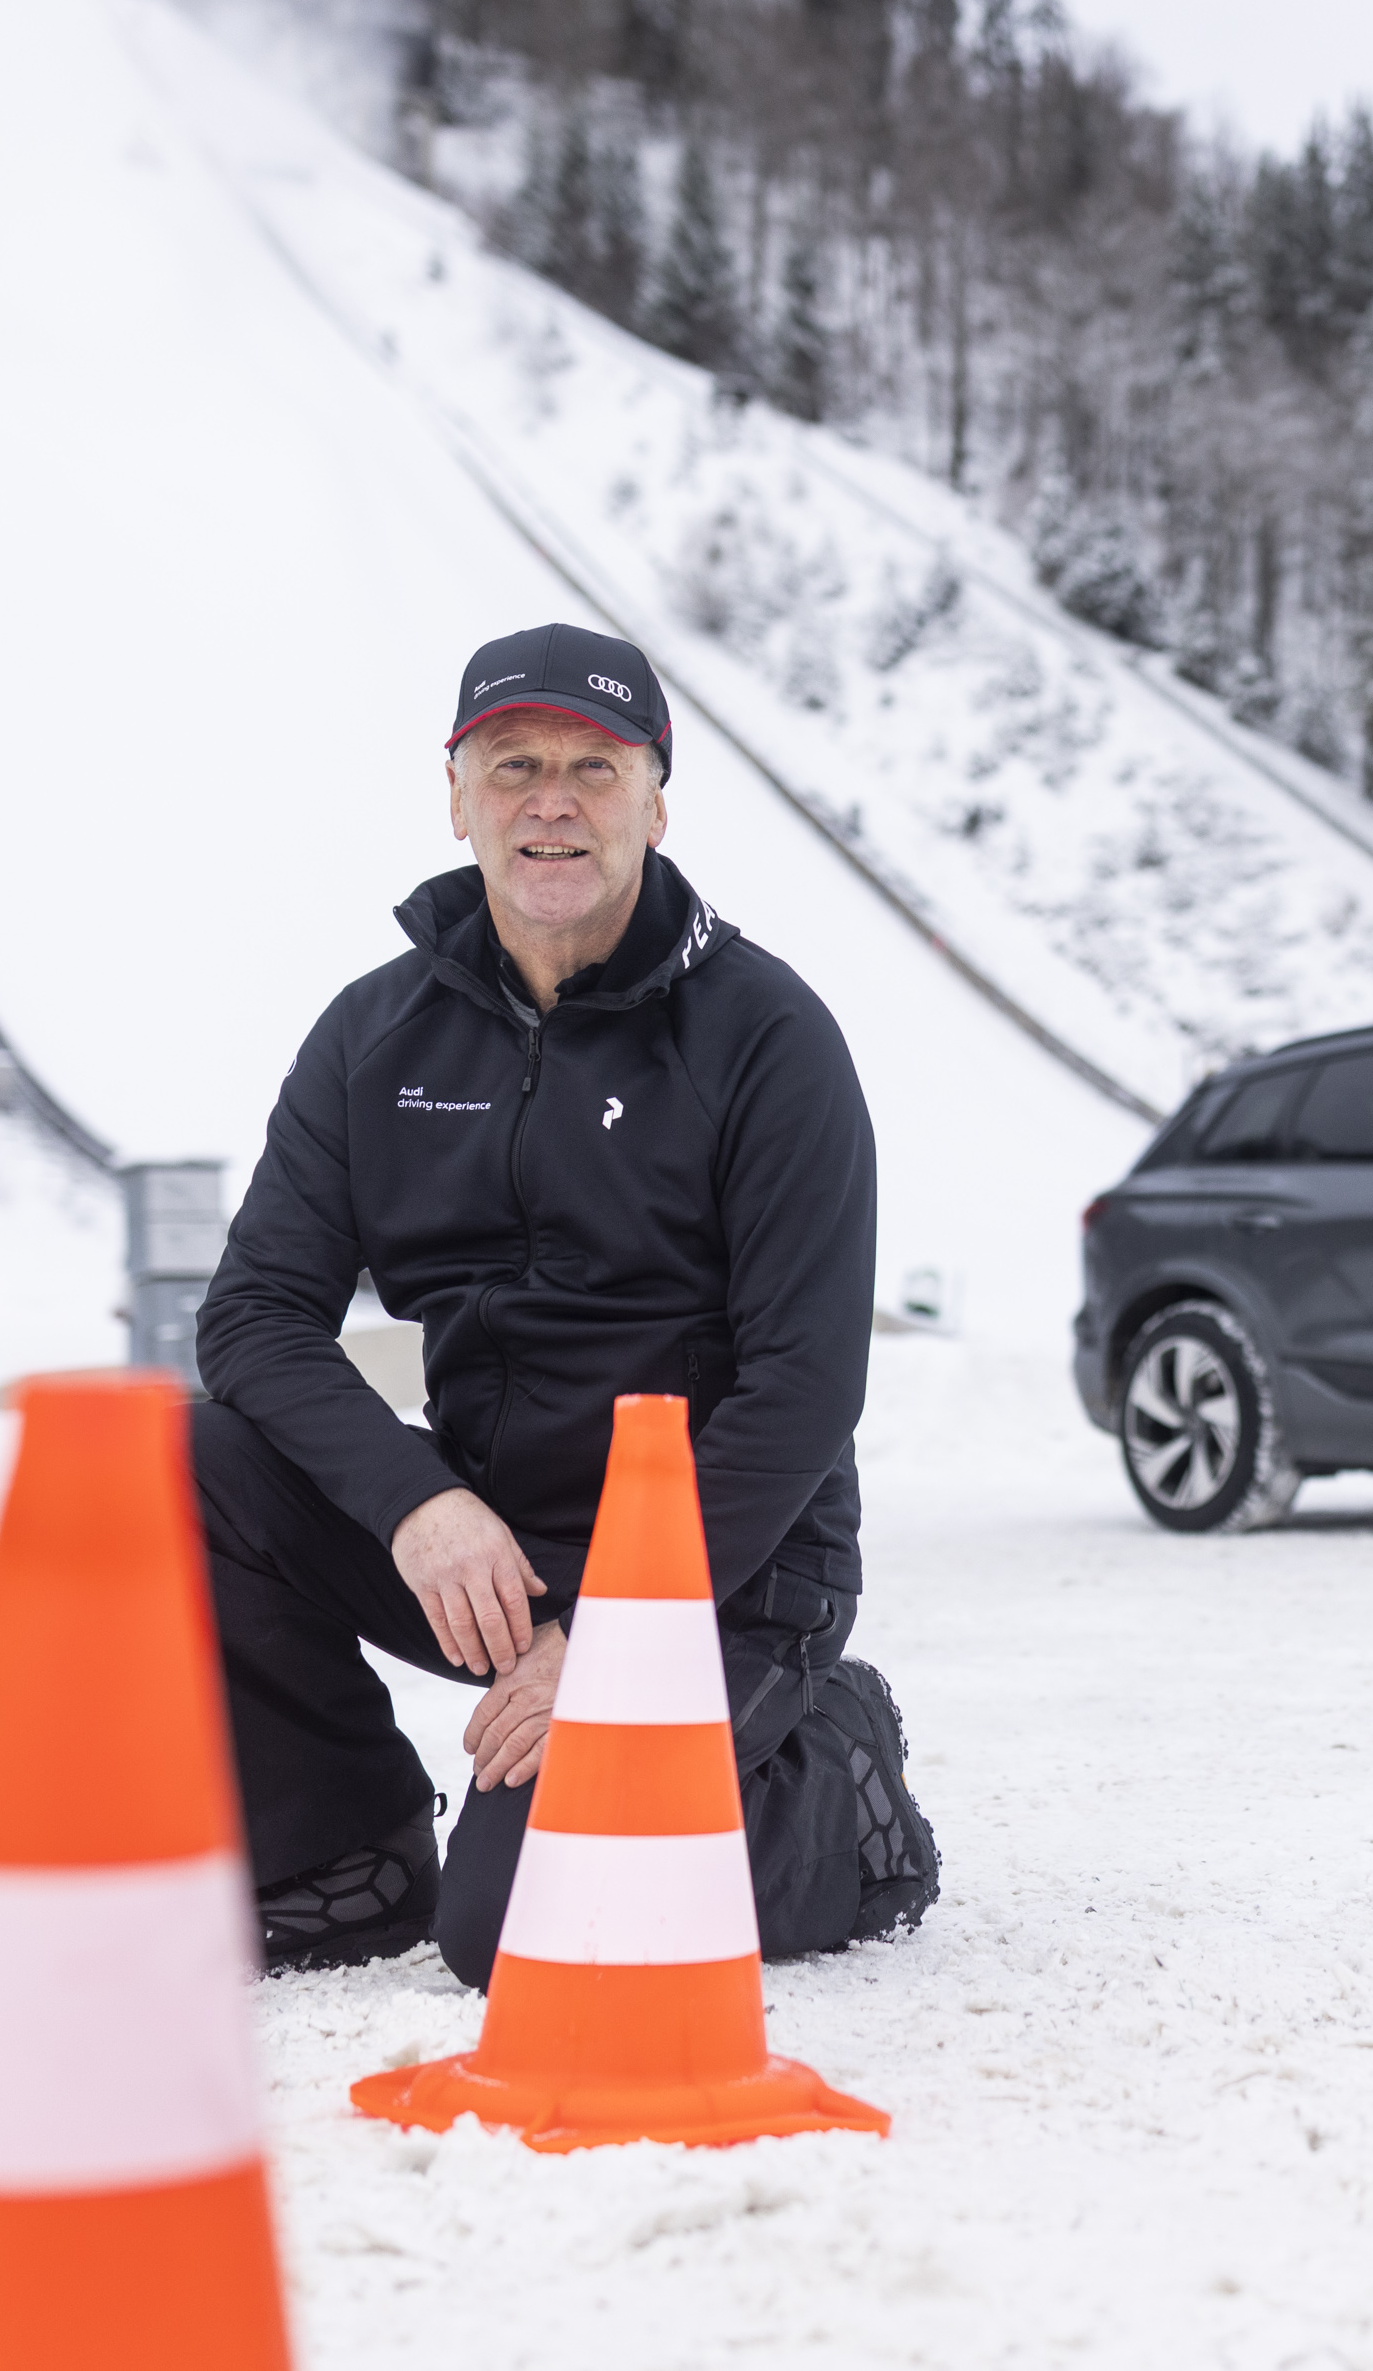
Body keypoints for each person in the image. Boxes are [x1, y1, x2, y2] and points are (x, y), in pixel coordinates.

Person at [192, 621, 937, 1980]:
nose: (553, 799)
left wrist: (611, 1630)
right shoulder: (373, 1038)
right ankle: (342, 1860)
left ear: (655, 799)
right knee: (187, 1463)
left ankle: (837, 1785)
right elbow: (251, 1320)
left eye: (595, 767)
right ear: (458, 796)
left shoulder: (767, 1039)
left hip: (732, 1566)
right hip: (501, 1547)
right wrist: (418, 1504)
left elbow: (805, 1383)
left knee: (527, 1931)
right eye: (516, 763)